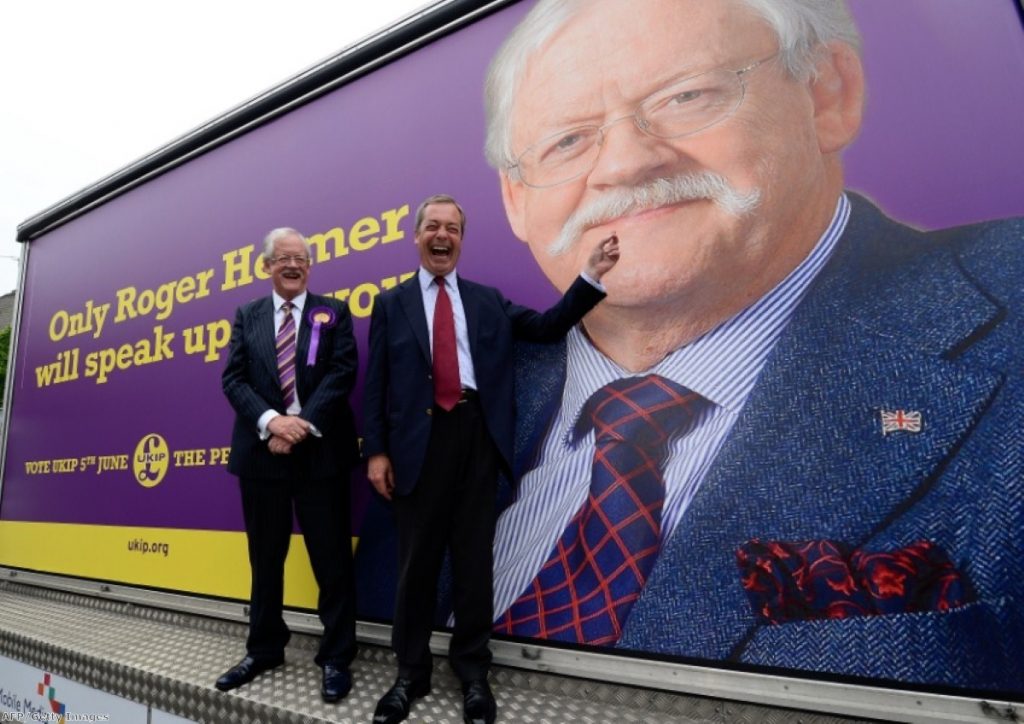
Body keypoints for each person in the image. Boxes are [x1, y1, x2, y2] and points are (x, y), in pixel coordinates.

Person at [481, 0, 1024, 691]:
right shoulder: (462, 405)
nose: (624, 164)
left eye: (686, 96)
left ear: (828, 94)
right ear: (516, 200)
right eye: (566, 142)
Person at [363, 194, 618, 724]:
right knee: (416, 568)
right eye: (432, 225)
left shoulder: (486, 301)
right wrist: (378, 452)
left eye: (452, 228)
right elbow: (376, 385)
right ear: (416, 236)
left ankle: (473, 675)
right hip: (417, 446)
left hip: (476, 438)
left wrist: (589, 277)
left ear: (460, 239)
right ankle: (409, 675)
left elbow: (548, 328)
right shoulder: (391, 305)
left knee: (475, 566)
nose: (441, 235)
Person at [218, 227, 360, 702]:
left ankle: (337, 656)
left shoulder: (332, 311)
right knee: (266, 559)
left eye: (301, 258)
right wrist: (272, 422)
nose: (294, 265)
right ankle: (264, 649)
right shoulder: (248, 315)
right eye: (283, 258)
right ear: (267, 266)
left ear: (310, 266)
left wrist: (301, 424)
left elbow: (342, 372)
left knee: (332, 560)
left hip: (320, 454)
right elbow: (233, 378)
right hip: (262, 458)